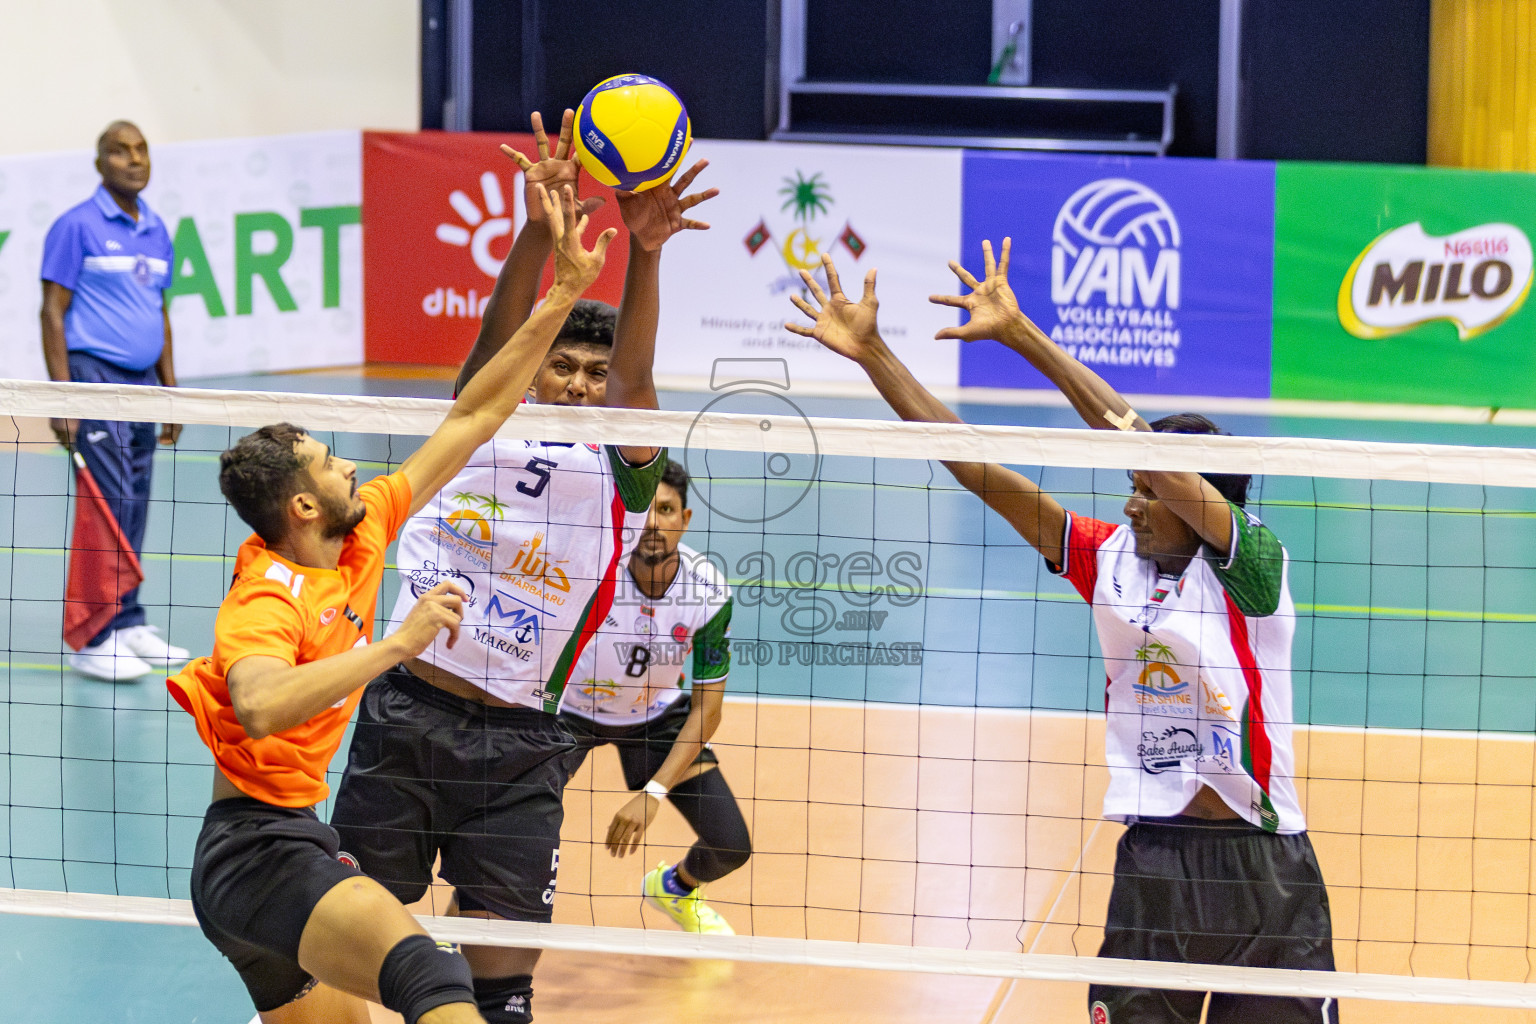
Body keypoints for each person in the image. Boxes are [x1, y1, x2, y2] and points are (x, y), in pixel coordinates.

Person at [785, 242, 1337, 1024]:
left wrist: (1022, 336)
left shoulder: (1253, 569)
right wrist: (876, 356)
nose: (1132, 505)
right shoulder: (1106, 559)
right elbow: (973, 465)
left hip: (1266, 868)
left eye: (1149, 491)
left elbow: (1140, 443)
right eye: (1130, 490)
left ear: (1205, 501)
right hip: (1156, 862)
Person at [165, 184, 614, 1024]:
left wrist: (562, 293)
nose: (348, 468)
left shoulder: (363, 530)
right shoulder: (267, 597)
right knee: (436, 985)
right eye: (329, 463)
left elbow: (479, 410)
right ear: (302, 508)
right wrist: (398, 645)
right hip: (259, 855)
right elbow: (257, 704)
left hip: (284, 842)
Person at [328, 110, 717, 1024]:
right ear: (536, 373)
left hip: (525, 743)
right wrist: (539, 235)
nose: (581, 384)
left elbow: (633, 388)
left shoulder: (625, 475)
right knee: (350, 952)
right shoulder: (480, 431)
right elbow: (490, 357)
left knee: (502, 985)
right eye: (564, 368)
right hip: (408, 713)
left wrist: (647, 253)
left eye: (594, 371)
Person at [559, 459, 749, 935]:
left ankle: (675, 888)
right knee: (506, 829)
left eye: (666, 510)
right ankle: (463, 928)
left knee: (730, 844)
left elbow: (708, 708)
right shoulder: (591, 566)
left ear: (684, 520)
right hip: (564, 713)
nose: (653, 521)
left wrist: (654, 793)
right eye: (646, 508)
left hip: (652, 717)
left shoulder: (708, 593)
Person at [41, 120, 187, 681]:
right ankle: (93, 635)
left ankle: (127, 620)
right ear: (100, 163)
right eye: (119, 152)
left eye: (141, 149)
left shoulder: (156, 230)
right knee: (107, 502)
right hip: (93, 376)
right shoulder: (75, 226)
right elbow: (52, 312)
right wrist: (65, 397)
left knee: (138, 498)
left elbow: (160, 313)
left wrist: (172, 393)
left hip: (144, 382)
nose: (133, 160)